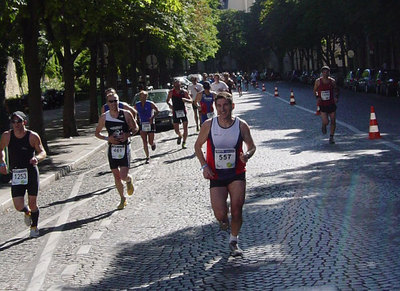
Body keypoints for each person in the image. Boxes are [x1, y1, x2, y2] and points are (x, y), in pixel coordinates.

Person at [194, 92, 256, 257]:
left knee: (237, 209)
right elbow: (197, 146)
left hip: (236, 173)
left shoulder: (241, 125)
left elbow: (252, 146)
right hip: (216, 175)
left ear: (232, 106)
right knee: (220, 213)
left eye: (225, 105)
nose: (222, 109)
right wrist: (204, 166)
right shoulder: (209, 125)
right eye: (219, 106)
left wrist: (247, 155)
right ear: (215, 107)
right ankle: (224, 221)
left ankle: (234, 240)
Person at [0, 111, 47, 238]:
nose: (16, 124)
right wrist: (2, 162)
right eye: (13, 122)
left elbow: (43, 152)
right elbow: (1, 150)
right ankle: (27, 212)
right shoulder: (7, 136)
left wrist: (37, 158)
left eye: (18, 121)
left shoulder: (32, 136)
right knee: (18, 205)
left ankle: (34, 227)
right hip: (16, 173)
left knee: (33, 202)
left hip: (31, 171)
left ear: (24, 122)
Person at [95, 93, 139, 210]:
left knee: (123, 176)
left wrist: (128, 134)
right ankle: (122, 198)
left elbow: (136, 128)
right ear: (107, 103)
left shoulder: (126, 114)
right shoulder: (104, 117)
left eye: (116, 101)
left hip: (125, 147)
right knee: (116, 176)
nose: (114, 104)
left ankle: (129, 180)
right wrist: (107, 138)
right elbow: (97, 133)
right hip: (112, 148)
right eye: (111, 101)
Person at [313, 66, 339, 144]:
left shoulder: (332, 81)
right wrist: (317, 97)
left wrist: (336, 97)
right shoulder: (318, 81)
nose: (325, 74)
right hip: (323, 104)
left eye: (327, 72)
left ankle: (331, 137)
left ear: (329, 73)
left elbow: (337, 90)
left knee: (333, 120)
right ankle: (324, 125)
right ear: (322, 73)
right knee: (326, 121)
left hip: (331, 103)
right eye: (324, 72)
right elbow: (315, 90)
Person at [134, 90, 159, 164]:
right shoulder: (137, 105)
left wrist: (152, 117)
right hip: (142, 124)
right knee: (144, 141)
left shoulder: (150, 103)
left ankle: (153, 144)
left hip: (150, 124)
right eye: (141, 96)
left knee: (150, 141)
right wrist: (136, 119)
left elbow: (157, 111)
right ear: (139, 97)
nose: (143, 98)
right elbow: (133, 112)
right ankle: (147, 157)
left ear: (146, 97)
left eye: (144, 96)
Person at [166, 79, 192, 149]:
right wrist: (170, 105)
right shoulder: (171, 92)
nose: (177, 86)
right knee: (176, 129)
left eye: (178, 84)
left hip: (183, 111)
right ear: (173, 85)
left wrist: (186, 100)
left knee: (185, 128)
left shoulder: (184, 92)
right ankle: (180, 135)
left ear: (180, 84)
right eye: (175, 84)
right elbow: (167, 100)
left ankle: (184, 142)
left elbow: (191, 100)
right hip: (175, 111)